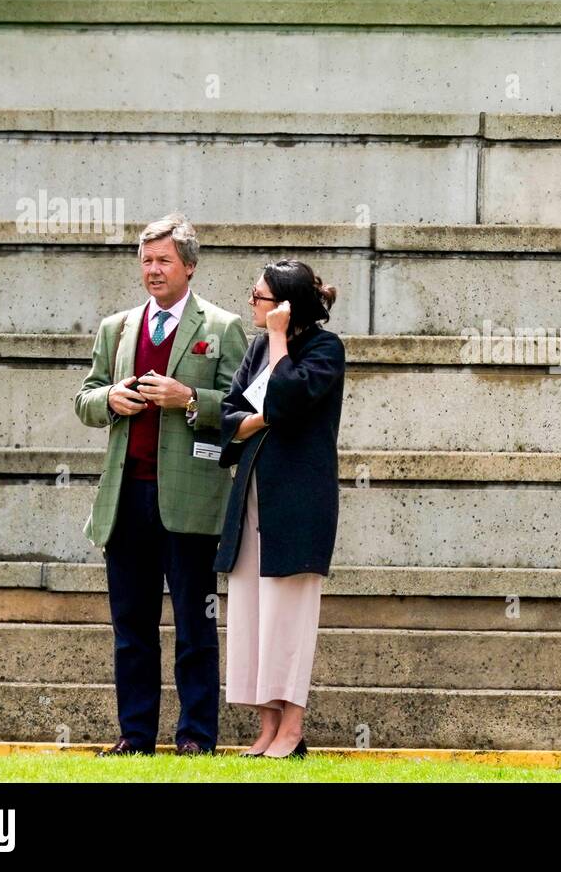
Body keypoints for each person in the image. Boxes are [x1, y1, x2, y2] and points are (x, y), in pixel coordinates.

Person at [73, 212, 248, 756]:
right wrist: (110, 400)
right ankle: (135, 737)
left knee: (196, 628)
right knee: (131, 628)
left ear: (189, 267)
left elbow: (245, 409)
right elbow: (85, 398)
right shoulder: (116, 328)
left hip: (190, 501)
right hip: (126, 500)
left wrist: (189, 400)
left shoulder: (222, 327)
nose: (153, 270)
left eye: (163, 260)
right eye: (146, 260)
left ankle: (196, 737)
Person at [215, 259, 345, 759]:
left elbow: (287, 399)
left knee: (288, 616)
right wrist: (258, 418)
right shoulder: (255, 349)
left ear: (285, 308)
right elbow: (230, 416)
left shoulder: (326, 349)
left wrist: (278, 341)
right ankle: (267, 727)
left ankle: (292, 729)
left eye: (260, 297)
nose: (252, 304)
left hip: (298, 505)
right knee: (251, 611)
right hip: (251, 497)